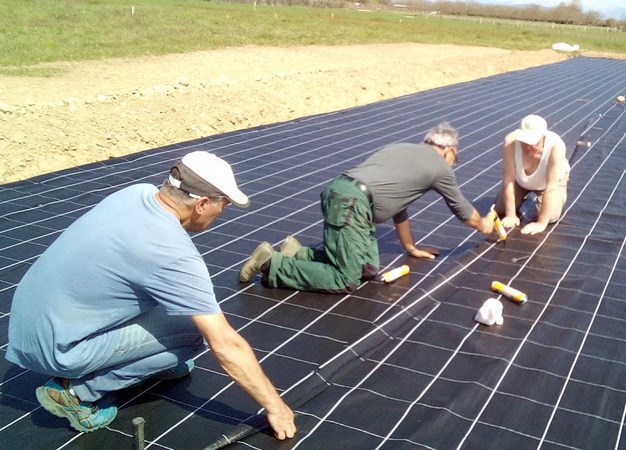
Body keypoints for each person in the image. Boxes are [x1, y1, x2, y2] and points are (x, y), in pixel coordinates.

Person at [6, 151, 296, 439]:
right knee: (193, 331)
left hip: (28, 323)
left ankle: (147, 360)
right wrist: (275, 406)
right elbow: (225, 345)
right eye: (225, 204)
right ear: (203, 203)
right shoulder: (172, 254)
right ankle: (75, 392)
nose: (223, 211)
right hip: (56, 349)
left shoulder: (136, 193)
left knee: (170, 301)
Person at [238, 122, 494, 293]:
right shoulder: (439, 166)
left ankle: (298, 253)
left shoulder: (402, 148)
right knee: (346, 280)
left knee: (368, 269)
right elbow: (462, 209)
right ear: (450, 150)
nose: (453, 165)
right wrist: (484, 225)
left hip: (344, 194)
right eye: (455, 159)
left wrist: (410, 248)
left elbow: (399, 208)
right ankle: (272, 264)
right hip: (352, 203)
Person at [493, 114, 570, 236]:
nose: (528, 146)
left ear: (543, 138)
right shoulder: (511, 142)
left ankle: (560, 196)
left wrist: (541, 223)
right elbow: (508, 179)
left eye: (533, 142)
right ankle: (521, 195)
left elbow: (551, 187)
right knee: (501, 208)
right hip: (521, 181)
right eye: (524, 140)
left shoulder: (556, 146)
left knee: (550, 217)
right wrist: (511, 215)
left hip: (547, 184)